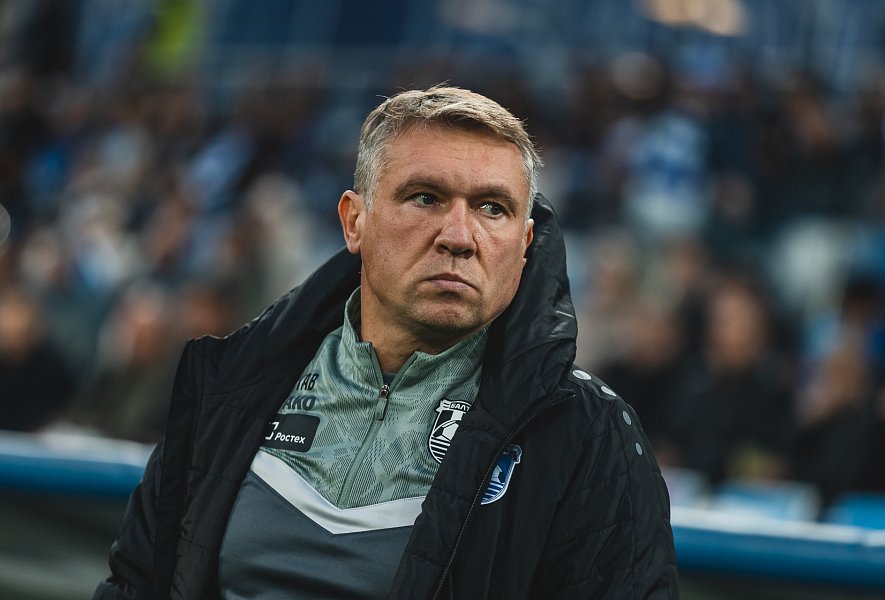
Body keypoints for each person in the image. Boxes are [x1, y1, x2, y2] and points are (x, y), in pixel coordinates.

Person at [94, 85, 678, 599]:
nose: (459, 236)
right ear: (355, 221)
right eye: (425, 197)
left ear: (524, 245)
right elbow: (136, 583)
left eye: (492, 208)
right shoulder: (233, 383)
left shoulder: (587, 434)